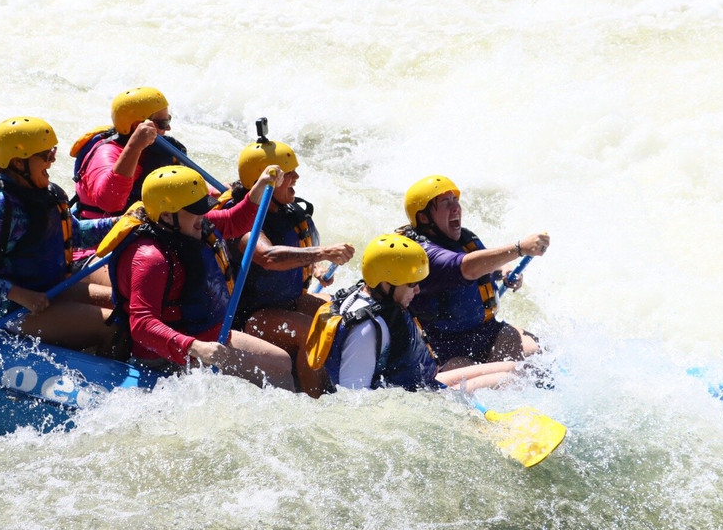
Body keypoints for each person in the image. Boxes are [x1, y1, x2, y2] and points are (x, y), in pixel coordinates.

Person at [111, 164, 295, 391]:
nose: (203, 216)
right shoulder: (151, 258)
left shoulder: (191, 224)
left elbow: (235, 220)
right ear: (167, 215)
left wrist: (261, 184)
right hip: (167, 355)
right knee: (278, 366)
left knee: (282, 363)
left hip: (203, 334)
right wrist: (196, 347)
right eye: (195, 210)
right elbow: (142, 325)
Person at [0, 116, 117, 350]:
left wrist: (123, 222)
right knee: (113, 325)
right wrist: (20, 295)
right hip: (11, 310)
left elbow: (77, 235)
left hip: (50, 290)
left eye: (53, 152)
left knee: (122, 303)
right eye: (46, 156)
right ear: (19, 163)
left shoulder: (48, 194)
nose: (52, 160)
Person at [227, 137, 354, 397]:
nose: (296, 177)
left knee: (341, 313)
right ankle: (317, 400)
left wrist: (315, 266)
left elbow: (293, 247)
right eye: (288, 173)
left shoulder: (284, 209)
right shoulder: (241, 218)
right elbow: (268, 257)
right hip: (250, 317)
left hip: (286, 301)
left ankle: (348, 380)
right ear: (264, 179)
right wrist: (323, 252)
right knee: (311, 331)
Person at [315, 233, 518, 393]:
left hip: (420, 386)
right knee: (507, 380)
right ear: (387, 283)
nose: (418, 290)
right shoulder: (367, 329)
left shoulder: (374, 296)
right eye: (411, 284)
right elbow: (353, 399)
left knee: (513, 370)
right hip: (419, 401)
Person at [399, 175, 549, 370]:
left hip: (483, 332)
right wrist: (519, 248)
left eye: (455, 200)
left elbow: (482, 264)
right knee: (479, 370)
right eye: (445, 203)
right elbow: (465, 268)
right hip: (445, 349)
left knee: (536, 352)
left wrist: (503, 270)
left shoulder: (462, 239)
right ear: (424, 217)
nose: (456, 208)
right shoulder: (422, 255)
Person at [72, 86, 184, 219]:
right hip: (105, 226)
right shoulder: (106, 153)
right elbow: (110, 203)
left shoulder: (152, 150)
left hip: (139, 220)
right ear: (138, 126)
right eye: (163, 123)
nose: (168, 128)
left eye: (168, 120)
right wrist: (134, 147)